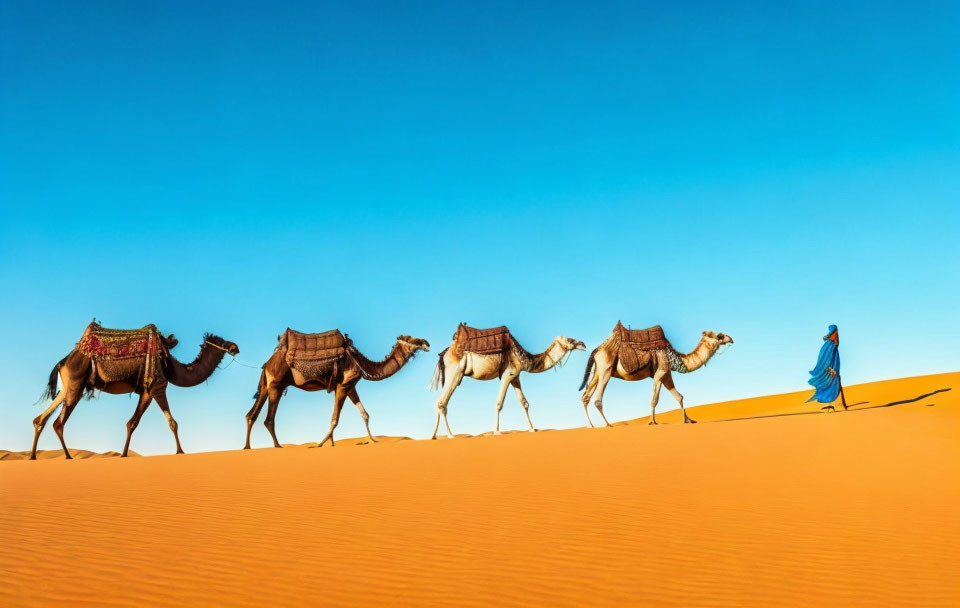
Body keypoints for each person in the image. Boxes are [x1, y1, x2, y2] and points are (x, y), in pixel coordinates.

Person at [807, 324, 847, 410]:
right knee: (830, 384)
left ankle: (836, 404)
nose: (837, 334)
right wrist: (830, 369)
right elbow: (824, 359)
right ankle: (830, 405)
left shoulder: (833, 345)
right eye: (836, 332)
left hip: (834, 370)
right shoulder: (829, 344)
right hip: (830, 371)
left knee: (834, 384)